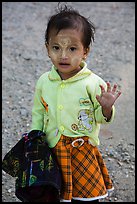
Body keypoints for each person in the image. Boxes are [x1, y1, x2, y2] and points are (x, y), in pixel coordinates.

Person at [30, 4, 121, 203]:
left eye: (72, 48)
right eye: (56, 48)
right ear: (47, 48)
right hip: (54, 147)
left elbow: (100, 117)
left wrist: (106, 108)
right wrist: (35, 136)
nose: (63, 55)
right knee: (55, 191)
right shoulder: (45, 81)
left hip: (83, 149)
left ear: (85, 52)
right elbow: (38, 111)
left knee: (86, 196)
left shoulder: (93, 83)